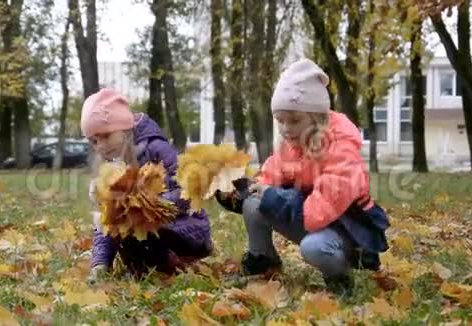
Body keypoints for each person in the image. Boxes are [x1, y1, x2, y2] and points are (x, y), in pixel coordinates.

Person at [216, 59, 390, 295]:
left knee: (314, 247)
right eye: (281, 121)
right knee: (252, 203)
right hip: (309, 216)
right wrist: (243, 189)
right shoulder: (295, 144)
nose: (286, 128)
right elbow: (271, 174)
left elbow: (317, 215)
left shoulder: (342, 151)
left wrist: (273, 197)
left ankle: (339, 277)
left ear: (317, 118)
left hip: (345, 229)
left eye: (295, 120)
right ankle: (263, 260)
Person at [81, 88, 213, 281]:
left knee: (135, 228)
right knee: (113, 219)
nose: (100, 145)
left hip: (183, 228)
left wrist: (148, 204)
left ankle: (176, 263)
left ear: (125, 128)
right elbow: (106, 223)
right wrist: (100, 260)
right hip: (148, 235)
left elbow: (187, 191)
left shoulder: (156, 149)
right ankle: (108, 266)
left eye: (106, 135)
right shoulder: (111, 166)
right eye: (94, 141)